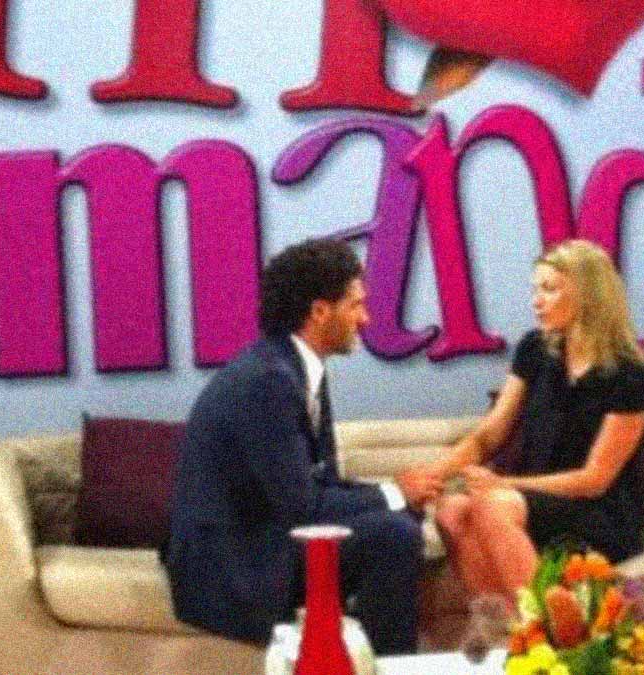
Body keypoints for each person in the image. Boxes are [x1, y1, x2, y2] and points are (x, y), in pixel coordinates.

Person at [163, 238, 442, 655]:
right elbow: (304, 507)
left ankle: (364, 657)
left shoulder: (295, 367)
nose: (365, 319)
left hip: (266, 538)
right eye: (356, 305)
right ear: (319, 311)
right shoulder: (267, 381)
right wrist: (395, 492)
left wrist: (397, 496)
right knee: (393, 534)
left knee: (400, 520)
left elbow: (319, 485)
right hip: (232, 563)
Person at [424, 239, 644, 599]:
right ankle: (501, 624)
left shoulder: (632, 375)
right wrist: (432, 476)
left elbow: (594, 480)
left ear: (588, 295)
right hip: (529, 502)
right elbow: (489, 435)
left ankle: (544, 625)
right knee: (452, 509)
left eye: (549, 289)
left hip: (597, 512)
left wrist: (505, 485)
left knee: (495, 504)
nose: (537, 301)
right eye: (536, 289)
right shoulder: (535, 349)